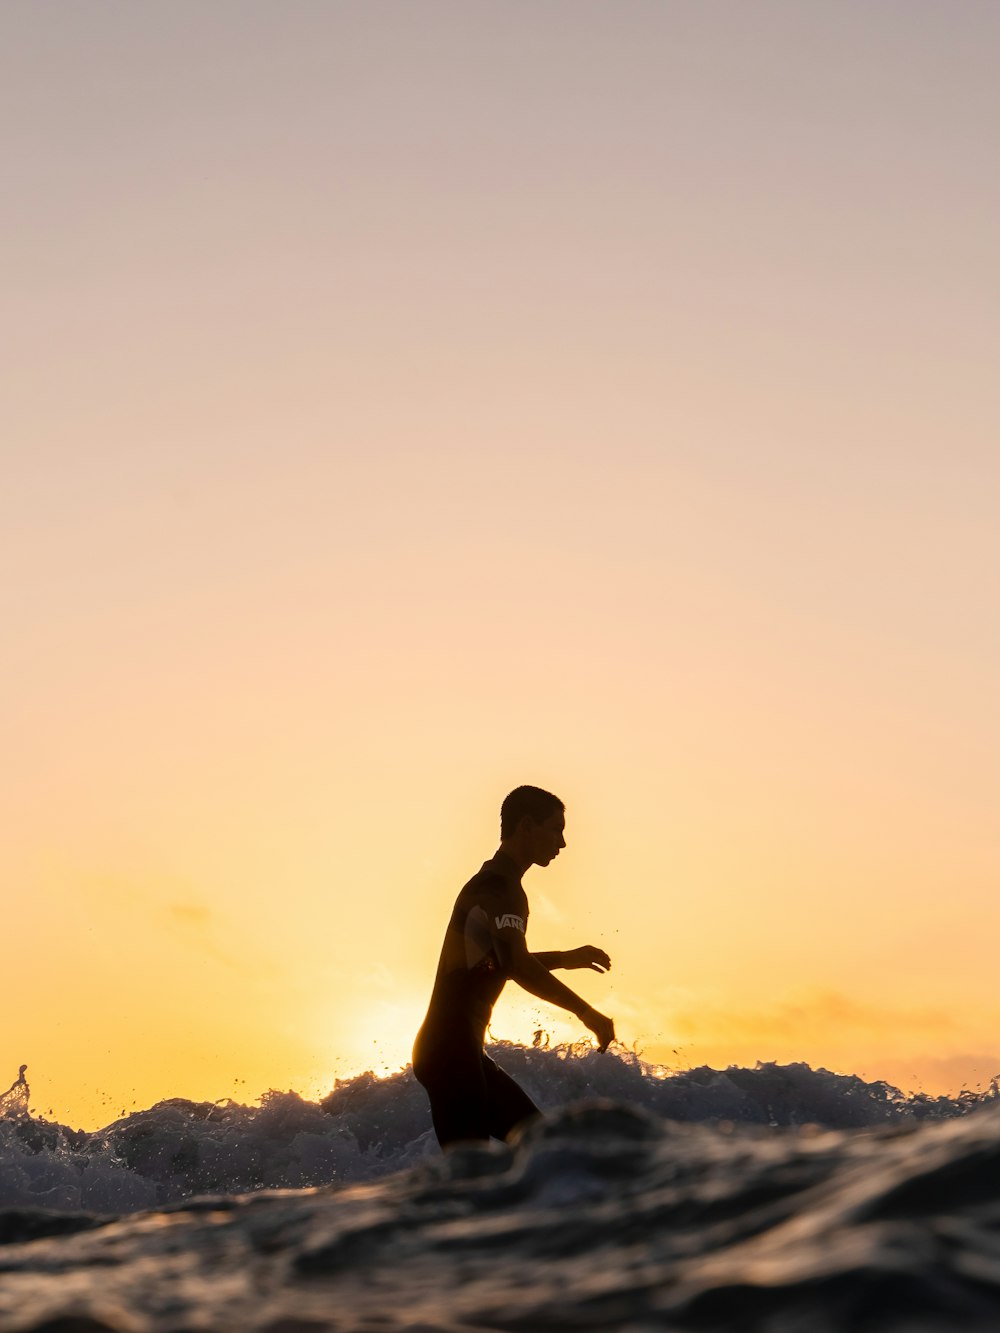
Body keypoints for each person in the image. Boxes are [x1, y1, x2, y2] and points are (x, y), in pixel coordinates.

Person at [413, 785, 615, 1148]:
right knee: (473, 1177)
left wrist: (566, 959)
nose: (563, 842)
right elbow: (517, 967)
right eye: (555, 828)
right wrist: (586, 1013)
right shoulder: (498, 887)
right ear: (526, 826)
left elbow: (501, 963)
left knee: (541, 1147)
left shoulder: (499, 884)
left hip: (455, 1049)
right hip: (450, 1052)